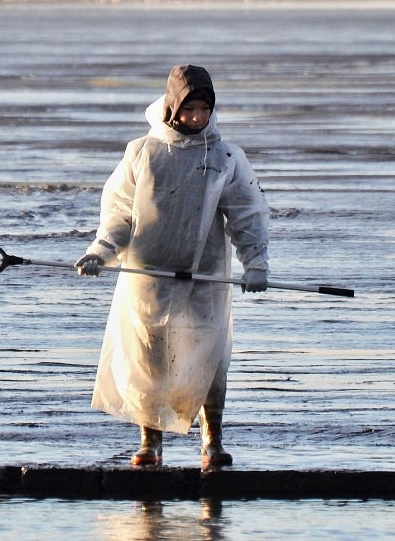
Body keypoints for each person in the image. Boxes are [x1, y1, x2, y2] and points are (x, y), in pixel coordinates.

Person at [75, 65, 270, 467]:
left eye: (204, 109)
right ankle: (151, 442)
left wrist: (255, 263)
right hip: (148, 276)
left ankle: (212, 442)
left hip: (206, 276)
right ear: (171, 107)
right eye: (189, 109)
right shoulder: (142, 153)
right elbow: (120, 213)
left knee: (209, 357)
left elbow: (247, 213)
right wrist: (101, 252)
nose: (197, 118)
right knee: (151, 359)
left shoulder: (225, 157)